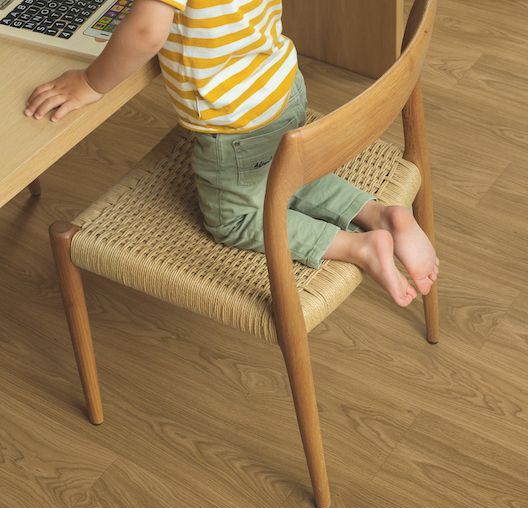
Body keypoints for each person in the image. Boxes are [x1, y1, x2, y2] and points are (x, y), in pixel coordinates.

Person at [23, 0, 437, 307]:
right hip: (279, 85)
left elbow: (147, 32)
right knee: (280, 176)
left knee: (233, 218)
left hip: (234, 124)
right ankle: (380, 213)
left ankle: (358, 247)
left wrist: (89, 83)